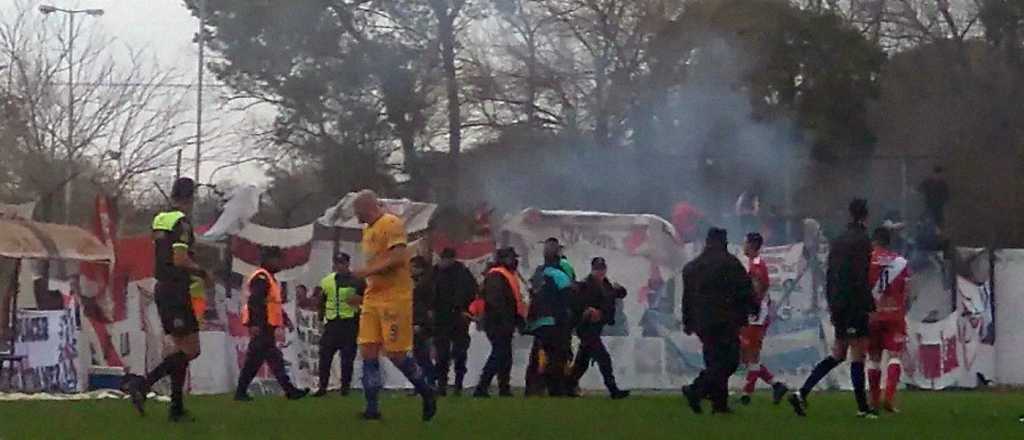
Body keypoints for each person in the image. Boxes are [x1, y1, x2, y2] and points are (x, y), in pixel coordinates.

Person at [123, 177, 210, 422]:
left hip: (163, 287)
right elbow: (180, 259)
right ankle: (143, 384)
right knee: (191, 350)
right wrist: (203, 272)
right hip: (175, 289)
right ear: (190, 197)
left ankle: (176, 408)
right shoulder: (182, 223)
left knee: (180, 350)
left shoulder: (161, 218)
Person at [350, 190, 436, 421]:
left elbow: (397, 257)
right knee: (367, 349)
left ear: (367, 207)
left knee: (396, 353)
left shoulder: (391, 223)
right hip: (372, 296)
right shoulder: (368, 229)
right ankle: (372, 408)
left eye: (357, 211)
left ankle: (427, 391)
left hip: (394, 297)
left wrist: (365, 271)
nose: (355, 216)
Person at [790, 199, 876, 418]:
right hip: (854, 304)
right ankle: (862, 408)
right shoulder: (862, 241)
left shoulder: (838, 240)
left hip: (838, 304)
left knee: (838, 353)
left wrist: (831, 302)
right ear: (865, 217)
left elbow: (830, 274)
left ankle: (802, 393)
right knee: (858, 353)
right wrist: (868, 304)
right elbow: (860, 276)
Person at [680, 228, 755, 414]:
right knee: (729, 361)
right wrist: (752, 308)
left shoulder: (692, 267)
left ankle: (719, 405)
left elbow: (687, 298)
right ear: (724, 242)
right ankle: (696, 389)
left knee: (713, 361)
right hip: (725, 320)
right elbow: (744, 290)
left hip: (701, 323)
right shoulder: (730, 264)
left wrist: (687, 321)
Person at [234, 247, 310, 401]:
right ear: (268, 260)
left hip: (266, 326)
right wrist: (254, 324)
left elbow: (272, 303)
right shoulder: (262, 278)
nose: (280, 264)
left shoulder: (268, 278)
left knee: (261, 361)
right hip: (262, 326)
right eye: (278, 260)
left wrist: (284, 319)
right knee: (267, 361)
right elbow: (255, 302)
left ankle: (242, 392)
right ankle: (289, 391)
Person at [569, 257, 630, 399]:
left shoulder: (606, 285)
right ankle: (613, 389)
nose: (600, 272)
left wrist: (619, 290)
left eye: (602, 269)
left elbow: (617, 294)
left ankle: (568, 384)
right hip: (587, 329)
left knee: (582, 362)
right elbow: (577, 304)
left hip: (595, 328)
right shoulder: (585, 285)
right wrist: (587, 311)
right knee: (603, 358)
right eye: (597, 269)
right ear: (593, 269)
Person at [739, 233, 789, 405]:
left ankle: (747, 394)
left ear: (752, 245)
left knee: (751, 355)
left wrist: (753, 306)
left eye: (745, 243)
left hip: (756, 316)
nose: (743, 246)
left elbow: (759, 288)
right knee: (748, 355)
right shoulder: (754, 264)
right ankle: (776, 385)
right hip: (756, 314)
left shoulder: (757, 264)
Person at [867, 227, 911, 413]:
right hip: (894, 314)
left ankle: (874, 401)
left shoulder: (868, 260)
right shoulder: (901, 262)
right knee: (895, 357)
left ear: (874, 241)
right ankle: (889, 398)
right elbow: (908, 290)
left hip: (873, 314)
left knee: (874, 358)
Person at [474, 247, 527, 398]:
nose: (515, 261)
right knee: (499, 354)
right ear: (504, 259)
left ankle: (504, 388)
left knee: (505, 355)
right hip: (498, 322)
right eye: (512, 258)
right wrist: (508, 320)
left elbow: (511, 301)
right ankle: (482, 387)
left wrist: (517, 319)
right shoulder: (497, 275)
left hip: (503, 321)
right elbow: (496, 301)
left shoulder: (504, 275)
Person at [524, 244, 575, 397]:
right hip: (554, 323)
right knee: (556, 356)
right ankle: (555, 389)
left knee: (536, 357)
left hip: (537, 323)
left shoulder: (538, 274)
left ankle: (532, 389)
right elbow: (568, 300)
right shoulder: (559, 276)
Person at [313, 252, 364, 397]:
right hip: (332, 323)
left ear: (348, 264)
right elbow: (322, 301)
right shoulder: (327, 280)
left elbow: (365, 298)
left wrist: (359, 305)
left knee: (347, 358)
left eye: (342, 263)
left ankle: (345, 388)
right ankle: (322, 387)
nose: (340, 266)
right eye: (337, 263)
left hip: (349, 322)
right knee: (325, 355)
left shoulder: (357, 280)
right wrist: (320, 319)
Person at [432, 247, 479, 396]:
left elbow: (471, 292)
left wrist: (465, 310)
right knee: (442, 355)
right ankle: (442, 385)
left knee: (459, 353)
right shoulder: (435, 273)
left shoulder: (462, 274)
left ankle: (458, 383)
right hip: (441, 318)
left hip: (458, 318)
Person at [411, 256, 437, 391]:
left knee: (421, 356)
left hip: (421, 324)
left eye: (413, 267)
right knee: (420, 355)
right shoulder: (421, 282)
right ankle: (424, 383)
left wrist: (419, 323)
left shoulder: (424, 284)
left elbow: (422, 307)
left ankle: (429, 381)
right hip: (420, 322)